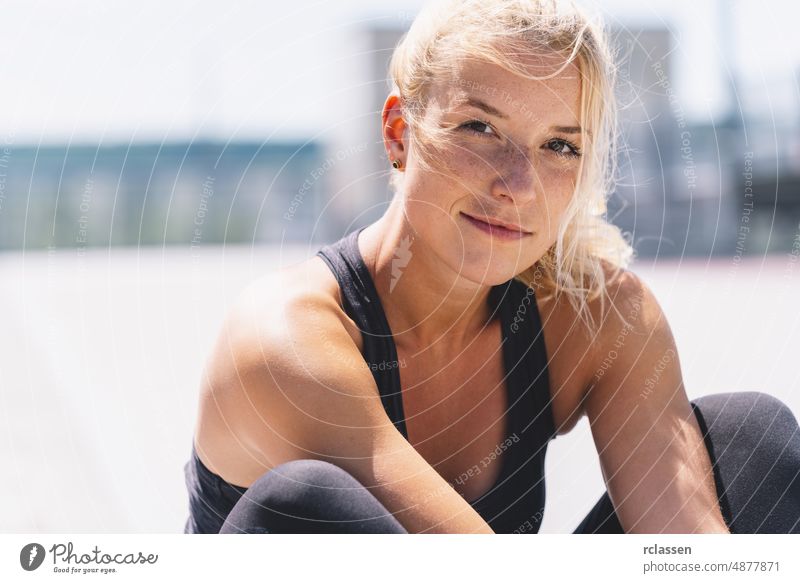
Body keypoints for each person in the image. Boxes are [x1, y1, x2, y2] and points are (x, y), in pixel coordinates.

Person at [183, 0, 800, 534]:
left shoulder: (593, 318)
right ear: (399, 133)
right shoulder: (287, 341)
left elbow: (695, 548)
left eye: (560, 145)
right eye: (480, 128)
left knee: (750, 437)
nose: (518, 184)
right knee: (300, 504)